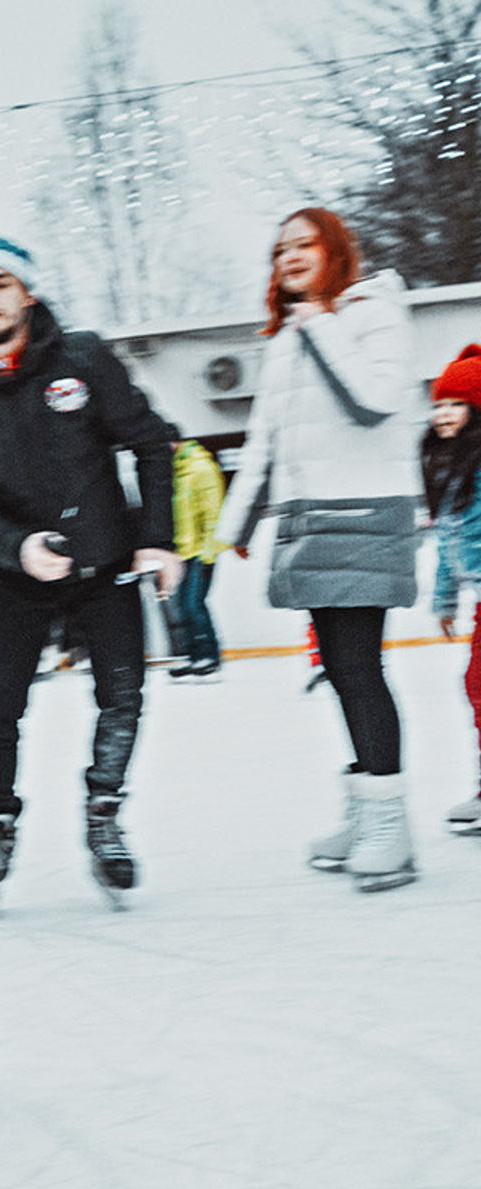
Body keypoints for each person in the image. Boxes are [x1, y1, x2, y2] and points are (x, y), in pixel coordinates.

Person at [0, 234, 181, 912]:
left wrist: (157, 539)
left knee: (122, 697)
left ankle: (103, 815)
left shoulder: (83, 358)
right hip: (17, 573)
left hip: (107, 563)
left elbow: (153, 442)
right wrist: (16, 545)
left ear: (27, 293)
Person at [215, 207, 421, 892]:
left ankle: (391, 823)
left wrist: (319, 320)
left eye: (305, 244)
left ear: (335, 250)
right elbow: (266, 442)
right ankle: (368, 806)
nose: (291, 257)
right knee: (337, 668)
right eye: (281, 249)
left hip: (366, 513)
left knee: (359, 667)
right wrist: (235, 527)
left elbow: (374, 399)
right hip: (310, 521)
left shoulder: (372, 312)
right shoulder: (285, 340)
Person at [421, 344, 481, 833]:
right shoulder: (447, 467)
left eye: (455, 404)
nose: (443, 414)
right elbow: (446, 540)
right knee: (475, 687)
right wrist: (444, 598)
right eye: (438, 404)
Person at [168, 439, 228, 680]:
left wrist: (208, 553)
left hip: (201, 552)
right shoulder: (178, 472)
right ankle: (193, 656)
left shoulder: (201, 468)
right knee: (181, 607)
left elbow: (214, 513)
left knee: (194, 605)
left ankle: (209, 656)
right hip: (182, 552)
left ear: (175, 444)